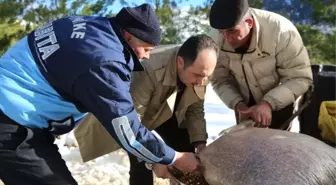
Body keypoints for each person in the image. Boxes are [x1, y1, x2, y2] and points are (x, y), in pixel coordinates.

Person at [0, 3, 199, 185]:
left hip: (16, 110)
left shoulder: (84, 23)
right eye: (146, 49)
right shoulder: (105, 62)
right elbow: (127, 130)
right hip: (13, 123)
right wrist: (175, 158)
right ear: (128, 36)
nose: (147, 56)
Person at [74, 34, 219, 185]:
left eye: (206, 77)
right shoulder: (148, 67)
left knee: (186, 146)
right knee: (141, 160)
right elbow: (132, 127)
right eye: (197, 75)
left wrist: (200, 142)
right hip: (130, 114)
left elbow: (194, 109)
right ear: (180, 62)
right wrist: (156, 160)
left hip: (165, 108)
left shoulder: (202, 69)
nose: (201, 82)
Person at [208, 0, 313, 130]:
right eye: (221, 32)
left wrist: (268, 104)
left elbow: (300, 78)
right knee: (245, 146)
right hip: (243, 103)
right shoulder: (213, 40)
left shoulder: (282, 32)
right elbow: (220, 80)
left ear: (249, 23)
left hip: (280, 100)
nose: (227, 39)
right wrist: (238, 105)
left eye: (232, 31)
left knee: (278, 146)